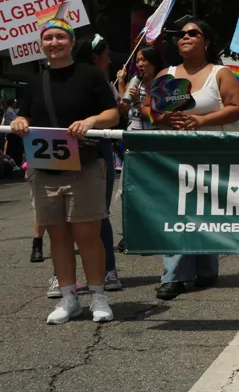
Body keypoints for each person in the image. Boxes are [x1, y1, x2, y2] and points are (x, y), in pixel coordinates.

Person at [11, 17, 120, 324]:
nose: (54, 43)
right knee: (57, 237)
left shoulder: (90, 75)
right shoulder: (36, 81)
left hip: (84, 165)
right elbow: (25, 115)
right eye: (48, 38)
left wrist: (91, 121)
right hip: (45, 169)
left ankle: (98, 295)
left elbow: (112, 114)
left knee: (88, 234)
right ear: (41, 44)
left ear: (71, 42)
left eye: (60, 37)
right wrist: (20, 122)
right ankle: (69, 297)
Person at [154, 18, 239, 301]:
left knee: (206, 211)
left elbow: (238, 108)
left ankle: (207, 267)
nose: (185, 37)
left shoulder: (220, 73)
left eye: (193, 33)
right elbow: (150, 111)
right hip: (174, 157)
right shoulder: (166, 74)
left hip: (210, 155)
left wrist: (202, 120)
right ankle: (173, 277)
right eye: (181, 34)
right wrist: (164, 118)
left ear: (206, 41)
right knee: (177, 212)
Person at [62, 33, 123, 293]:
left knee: (99, 213)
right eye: (106, 56)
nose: (109, 62)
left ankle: (108, 271)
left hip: (97, 150)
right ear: (95, 57)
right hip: (64, 150)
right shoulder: (61, 80)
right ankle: (61, 276)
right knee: (62, 215)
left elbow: (115, 115)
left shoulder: (102, 83)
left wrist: (93, 120)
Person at [115, 44, 165, 253]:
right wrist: (122, 84)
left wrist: (137, 101)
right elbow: (123, 108)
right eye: (137, 60)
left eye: (144, 60)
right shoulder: (135, 82)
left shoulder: (162, 84)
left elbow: (154, 115)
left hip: (154, 142)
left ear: (154, 62)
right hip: (134, 140)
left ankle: (154, 233)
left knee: (153, 189)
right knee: (128, 189)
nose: (140, 64)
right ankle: (130, 233)